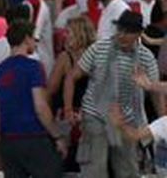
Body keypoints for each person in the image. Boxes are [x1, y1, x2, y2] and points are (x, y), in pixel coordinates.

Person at [63, 9, 159, 178]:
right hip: (95, 114)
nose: (121, 35)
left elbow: (156, 93)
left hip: (125, 119)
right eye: (119, 30)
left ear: (138, 34)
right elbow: (72, 76)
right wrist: (68, 108)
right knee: (95, 170)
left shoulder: (146, 57)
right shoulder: (100, 47)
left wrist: (161, 123)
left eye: (126, 32)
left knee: (128, 170)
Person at [0, 20, 67, 178]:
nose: (35, 42)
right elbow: (40, 106)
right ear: (26, 39)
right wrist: (57, 135)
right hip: (34, 138)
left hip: (8, 142)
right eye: (34, 39)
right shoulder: (33, 67)